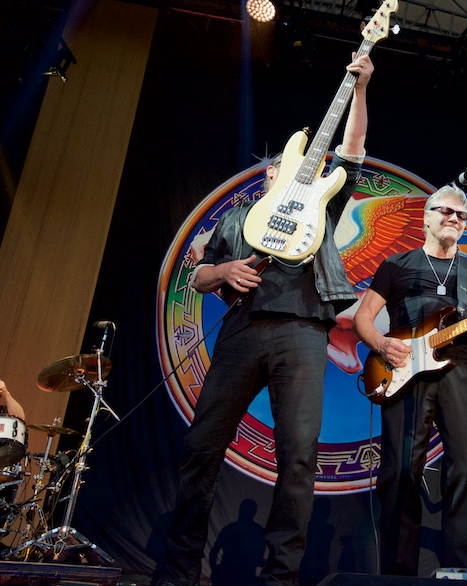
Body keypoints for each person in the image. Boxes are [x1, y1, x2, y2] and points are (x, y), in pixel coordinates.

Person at [153, 54, 374, 586]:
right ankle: (180, 571)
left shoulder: (322, 206)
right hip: (243, 330)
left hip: (304, 332)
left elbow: (353, 151)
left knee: (298, 457)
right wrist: (225, 268)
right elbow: (201, 277)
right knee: (202, 445)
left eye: (301, 168)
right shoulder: (237, 219)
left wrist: (360, 88)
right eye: (280, 168)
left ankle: (281, 577)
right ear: (268, 174)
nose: (292, 173)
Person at [352, 184, 467, 576]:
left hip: (460, 367)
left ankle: (462, 570)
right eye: (447, 212)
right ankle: (398, 571)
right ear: (426, 217)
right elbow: (362, 318)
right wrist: (382, 344)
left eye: (462, 215)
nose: (454, 219)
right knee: (401, 470)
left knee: (466, 468)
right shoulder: (397, 265)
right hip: (404, 368)